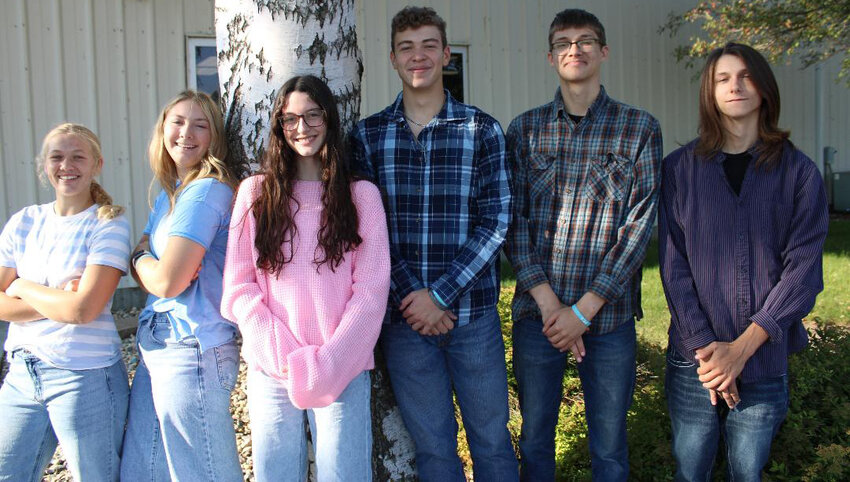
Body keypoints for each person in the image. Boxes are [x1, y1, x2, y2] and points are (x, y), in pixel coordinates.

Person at [350, 6, 517, 481]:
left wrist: (440, 294)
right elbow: (367, 229)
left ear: (446, 55)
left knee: (492, 443)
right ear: (392, 58)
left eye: (428, 46)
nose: (417, 56)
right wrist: (412, 297)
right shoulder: (368, 135)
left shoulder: (480, 129)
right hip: (406, 325)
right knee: (434, 453)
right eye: (407, 47)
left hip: (473, 319)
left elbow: (497, 219)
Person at [659, 42, 828, 481]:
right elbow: (674, 268)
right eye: (722, 78)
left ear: (765, 88)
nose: (735, 86)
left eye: (745, 76)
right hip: (694, 360)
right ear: (710, 93)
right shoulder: (679, 170)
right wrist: (711, 356)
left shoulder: (799, 174)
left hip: (762, 359)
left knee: (747, 474)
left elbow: (804, 271)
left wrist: (740, 351)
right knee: (690, 472)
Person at [505, 8, 662, 481]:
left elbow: (637, 230)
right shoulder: (525, 131)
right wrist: (554, 307)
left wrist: (583, 311)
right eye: (564, 42)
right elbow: (513, 222)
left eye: (586, 40)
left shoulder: (639, 129)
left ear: (603, 51)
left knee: (610, 446)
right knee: (534, 440)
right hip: (539, 318)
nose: (575, 49)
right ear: (550, 57)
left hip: (608, 319)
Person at [221, 75, 390, 482]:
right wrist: (288, 358)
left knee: (344, 475)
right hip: (271, 368)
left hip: (343, 367)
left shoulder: (361, 196)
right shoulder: (255, 194)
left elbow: (371, 291)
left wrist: (330, 361)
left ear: (329, 120)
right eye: (291, 118)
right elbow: (238, 288)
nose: (302, 128)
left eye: (313, 116)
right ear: (279, 126)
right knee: (275, 474)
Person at [120, 90, 248, 481]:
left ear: (215, 139)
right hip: (158, 338)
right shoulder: (169, 193)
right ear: (162, 129)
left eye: (200, 125)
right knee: (144, 471)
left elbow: (167, 280)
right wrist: (146, 262)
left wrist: (143, 261)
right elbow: (146, 260)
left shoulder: (207, 190)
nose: (185, 133)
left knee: (202, 473)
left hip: (191, 347)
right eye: (177, 121)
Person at [0, 123, 131, 481]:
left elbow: (83, 310)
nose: (66, 165)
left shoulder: (109, 223)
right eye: (57, 157)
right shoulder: (24, 221)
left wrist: (22, 286)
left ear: (97, 164)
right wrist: (59, 297)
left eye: (78, 157)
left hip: (84, 377)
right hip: (21, 375)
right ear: (45, 165)